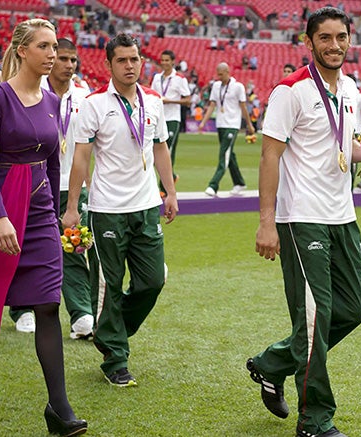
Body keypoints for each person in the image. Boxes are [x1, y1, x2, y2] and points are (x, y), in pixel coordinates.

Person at [0, 19, 88, 436]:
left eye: (54, 48)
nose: (52, 55)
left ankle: (59, 409)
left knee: (47, 304)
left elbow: (55, 159)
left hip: (41, 210)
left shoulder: (52, 100)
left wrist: (61, 210)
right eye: (44, 47)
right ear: (22, 50)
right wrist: (0, 214)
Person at [249, 7, 361, 437]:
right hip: (301, 218)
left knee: (352, 309)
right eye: (324, 38)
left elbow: (342, 149)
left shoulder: (351, 90)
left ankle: (273, 363)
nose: (334, 45)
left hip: (341, 215)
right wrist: (266, 222)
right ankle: (315, 419)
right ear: (309, 42)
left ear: (350, 39)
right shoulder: (290, 90)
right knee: (314, 318)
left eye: (341, 37)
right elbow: (270, 154)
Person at [63, 33, 178, 387]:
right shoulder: (94, 104)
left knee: (152, 281)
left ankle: (111, 332)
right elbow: (81, 156)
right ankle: (115, 359)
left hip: (146, 208)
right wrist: (72, 208)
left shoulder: (154, 102)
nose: (130, 66)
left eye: (135, 59)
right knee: (109, 285)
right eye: (122, 60)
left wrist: (170, 192)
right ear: (109, 64)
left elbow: (160, 148)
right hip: (106, 208)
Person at [9, 37, 94, 337]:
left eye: (72, 60)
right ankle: (22, 308)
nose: (68, 65)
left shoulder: (84, 96)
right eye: (62, 58)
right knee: (25, 246)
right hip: (32, 183)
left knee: (73, 246)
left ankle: (81, 312)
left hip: (70, 183)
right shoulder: (30, 91)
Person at [198, 62, 256, 197]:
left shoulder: (238, 87)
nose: (218, 77)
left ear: (227, 71)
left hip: (232, 125)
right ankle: (239, 183)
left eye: (221, 74)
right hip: (221, 124)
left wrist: (249, 125)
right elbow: (212, 105)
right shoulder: (216, 86)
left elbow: (243, 107)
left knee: (224, 154)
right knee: (229, 155)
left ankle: (213, 185)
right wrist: (203, 122)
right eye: (217, 74)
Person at [150, 49, 191, 196]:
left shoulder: (179, 79)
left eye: (167, 60)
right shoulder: (156, 78)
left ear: (173, 62)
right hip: (158, 118)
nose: (165, 63)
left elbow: (188, 100)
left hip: (173, 119)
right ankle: (172, 177)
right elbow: (152, 95)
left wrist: (169, 101)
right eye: (163, 60)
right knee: (154, 153)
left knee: (168, 152)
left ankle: (164, 189)